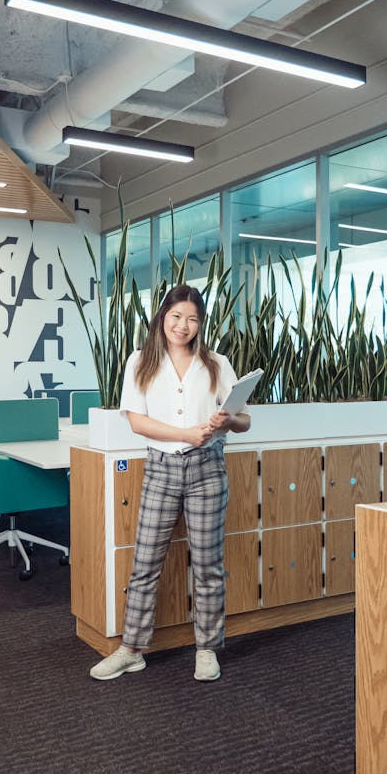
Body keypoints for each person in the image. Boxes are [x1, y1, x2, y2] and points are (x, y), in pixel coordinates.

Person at [90, 284, 251, 683]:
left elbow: (245, 420)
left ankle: (207, 648)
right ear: (163, 316)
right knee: (145, 563)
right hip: (161, 469)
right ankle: (131, 649)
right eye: (177, 316)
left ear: (201, 324)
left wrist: (226, 420)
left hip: (207, 471)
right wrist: (185, 434)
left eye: (192, 319)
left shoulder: (216, 363)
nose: (183, 326)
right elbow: (136, 420)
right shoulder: (141, 362)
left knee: (208, 564)